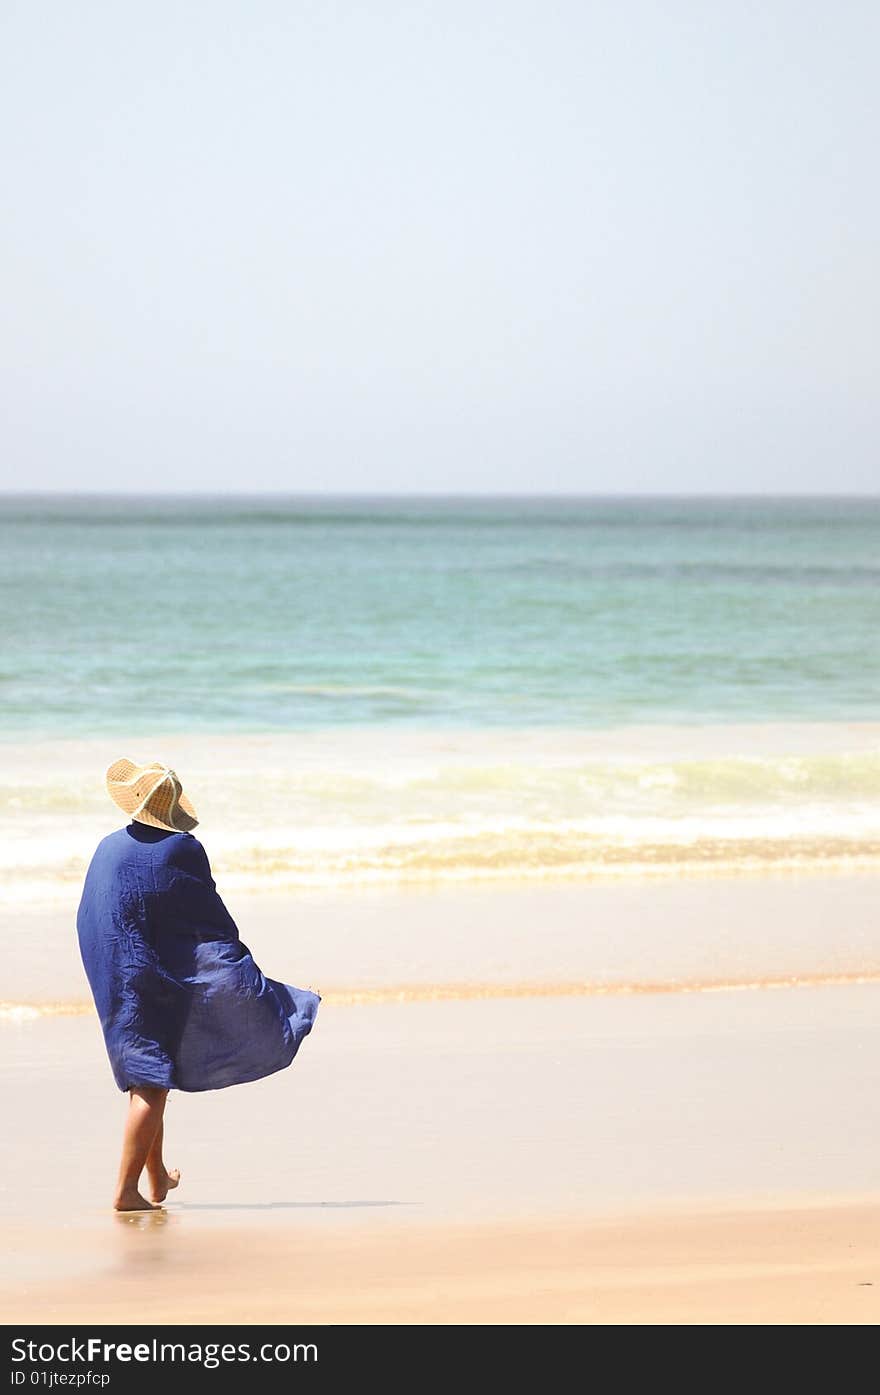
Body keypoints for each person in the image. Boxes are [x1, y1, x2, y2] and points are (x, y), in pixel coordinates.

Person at [76, 758, 320, 1212]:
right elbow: (206, 917)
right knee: (150, 1083)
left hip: (111, 966)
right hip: (148, 972)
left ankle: (157, 1180)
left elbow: (99, 912)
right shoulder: (182, 849)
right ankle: (126, 1192)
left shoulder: (109, 846)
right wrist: (241, 967)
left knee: (150, 1077)